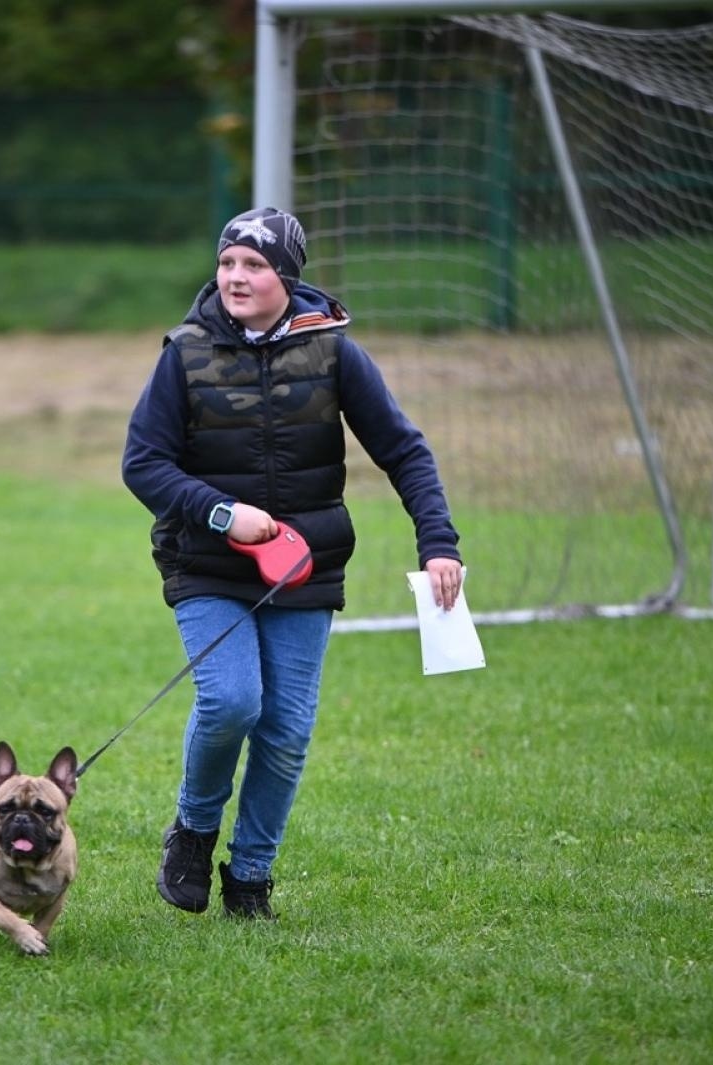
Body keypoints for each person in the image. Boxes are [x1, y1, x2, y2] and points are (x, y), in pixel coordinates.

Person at [122, 206, 463, 919]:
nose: (235, 277)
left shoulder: (334, 353)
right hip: (207, 561)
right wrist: (223, 513)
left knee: (285, 729)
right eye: (226, 263)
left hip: (306, 566)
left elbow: (404, 451)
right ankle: (193, 831)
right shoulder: (183, 353)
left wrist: (438, 543)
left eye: (254, 264)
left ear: (287, 275)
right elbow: (143, 463)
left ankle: (250, 879)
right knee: (231, 701)